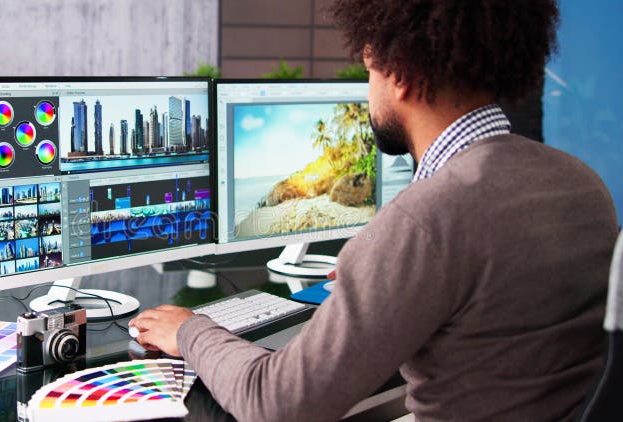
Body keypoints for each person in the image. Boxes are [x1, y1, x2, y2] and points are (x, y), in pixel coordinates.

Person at [129, 1, 620, 420]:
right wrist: (384, 278)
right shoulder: (582, 183)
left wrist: (190, 330)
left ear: (401, 72)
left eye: (371, 70)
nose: (369, 89)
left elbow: (274, 403)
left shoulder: (425, 221)